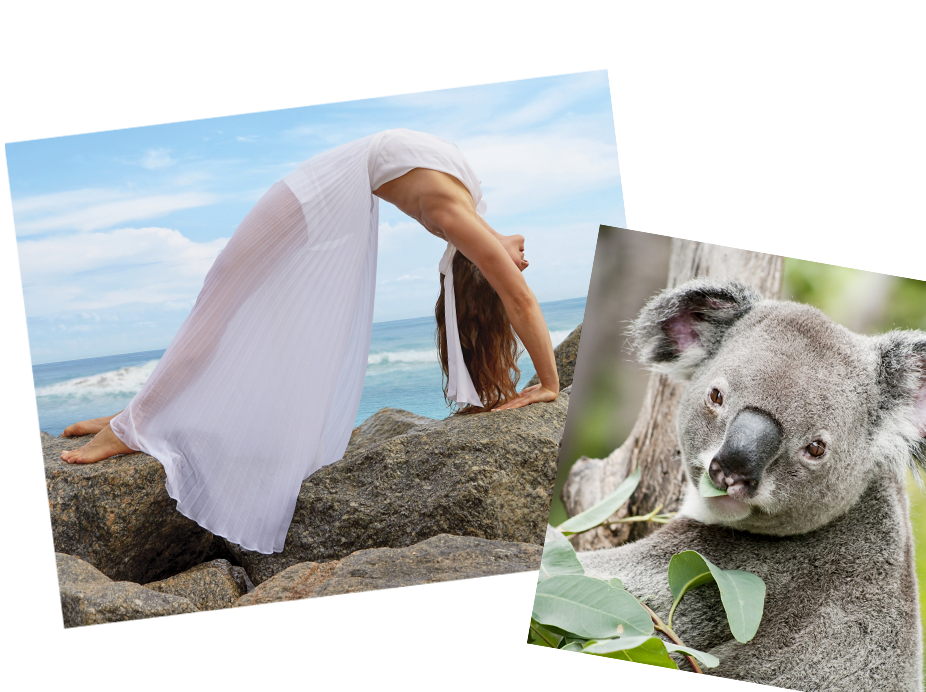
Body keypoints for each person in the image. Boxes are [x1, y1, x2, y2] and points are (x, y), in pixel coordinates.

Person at [59, 129, 560, 554]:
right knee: (218, 305)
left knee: (219, 305)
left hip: (319, 197)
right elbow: (520, 300)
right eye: (517, 254)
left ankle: (141, 417)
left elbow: (515, 287)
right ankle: (136, 421)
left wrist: (546, 379)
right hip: (311, 196)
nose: (524, 260)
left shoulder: (463, 212)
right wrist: (550, 384)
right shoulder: (459, 213)